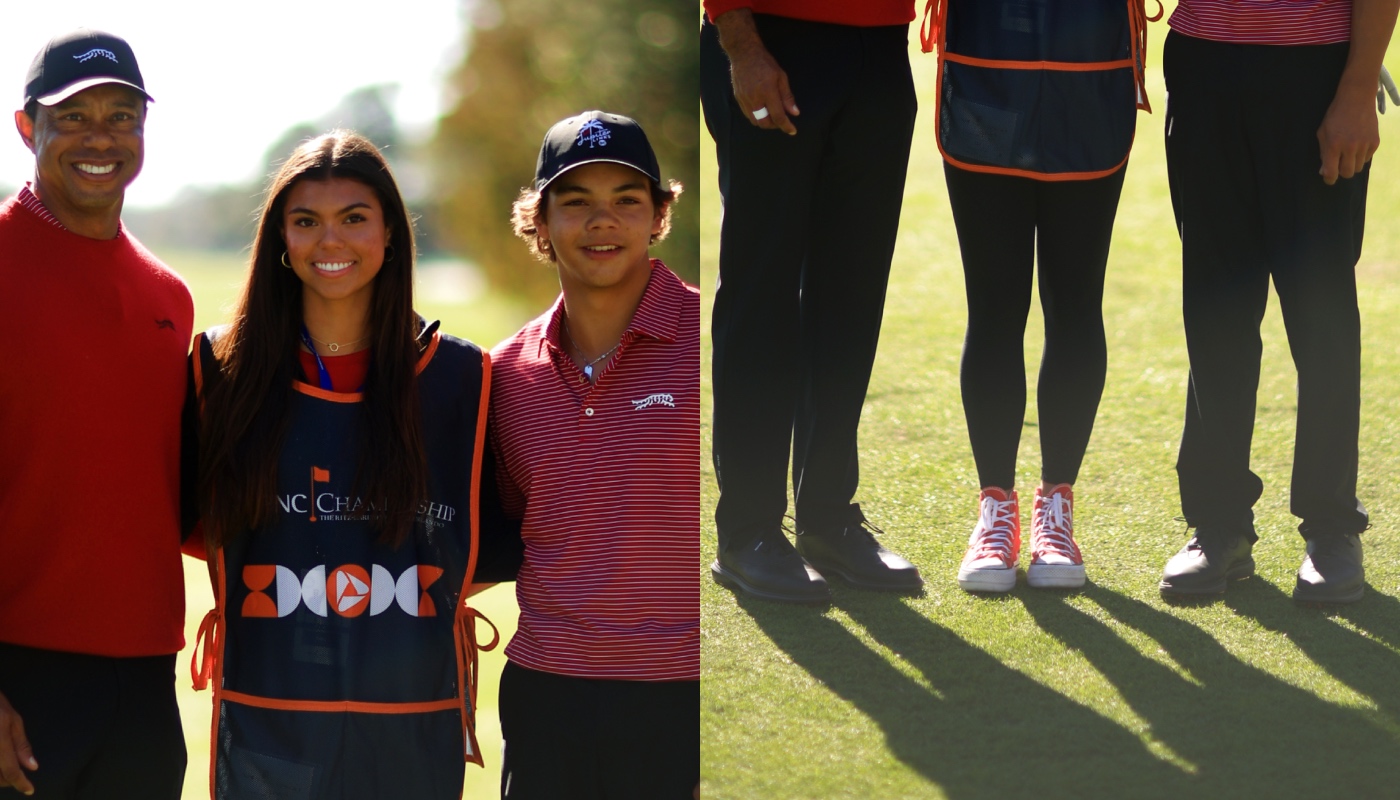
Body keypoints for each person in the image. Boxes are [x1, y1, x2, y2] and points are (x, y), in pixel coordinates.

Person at [185, 130, 521, 799]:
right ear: (280, 238)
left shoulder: (461, 377)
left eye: (354, 219)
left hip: (410, 731)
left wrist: (378, 611)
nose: (329, 242)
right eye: (306, 221)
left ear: (391, 233)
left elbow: (483, 552)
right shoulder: (219, 372)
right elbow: (199, 533)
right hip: (266, 729)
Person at [0, 29, 191, 798]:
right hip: (17, 673)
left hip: (146, 680)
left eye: (121, 116)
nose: (100, 138)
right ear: (26, 128)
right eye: (72, 117)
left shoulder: (167, 295)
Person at [1155, 0, 1399, 603]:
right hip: (1204, 67)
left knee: (1322, 318)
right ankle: (1219, 524)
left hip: (1316, 73)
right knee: (1217, 309)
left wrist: (1359, 82)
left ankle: (1332, 527)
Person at [493, 110, 698, 799]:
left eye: (626, 201)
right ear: (541, 222)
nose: (601, 221)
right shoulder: (503, 373)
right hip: (549, 695)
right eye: (576, 202)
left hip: (690, 695)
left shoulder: (715, 341)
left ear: (658, 217)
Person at [923, 1, 1155, 593]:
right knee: (995, 307)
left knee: (1075, 302)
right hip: (985, 62)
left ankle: (1056, 510)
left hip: (1091, 66)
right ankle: (995, 511)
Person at [701, 0, 924, 604]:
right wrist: (742, 46)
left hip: (881, 46)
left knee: (853, 292)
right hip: (771, 41)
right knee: (762, 292)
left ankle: (827, 521)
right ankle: (748, 531)